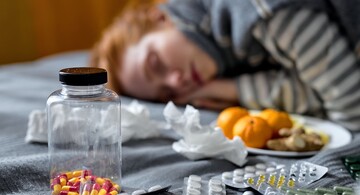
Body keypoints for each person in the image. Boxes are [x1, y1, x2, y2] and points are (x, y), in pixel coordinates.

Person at [90, 0, 360, 131]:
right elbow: (321, 92)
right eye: (166, 94)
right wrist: (233, 89)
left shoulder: (250, 8)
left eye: (156, 64)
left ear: (161, 18)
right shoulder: (224, 49)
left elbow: (351, 111)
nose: (175, 82)